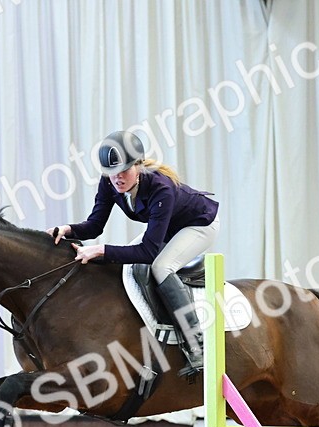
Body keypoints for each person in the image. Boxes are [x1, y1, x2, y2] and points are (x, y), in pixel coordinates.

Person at [49, 130, 219, 376]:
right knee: (130, 265)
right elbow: (95, 225)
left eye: (124, 171)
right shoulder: (109, 182)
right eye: (112, 173)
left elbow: (149, 251)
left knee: (161, 267)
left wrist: (100, 250)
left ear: (138, 165)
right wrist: (68, 229)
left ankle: (197, 345)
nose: (118, 178)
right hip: (166, 227)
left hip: (199, 224)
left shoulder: (161, 187)